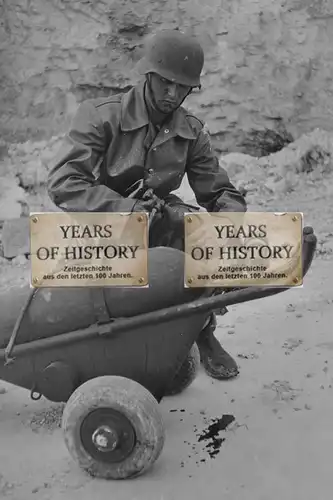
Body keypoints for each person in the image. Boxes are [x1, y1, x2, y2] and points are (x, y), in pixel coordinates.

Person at [47, 29, 247, 381]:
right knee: (85, 304)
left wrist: (227, 224)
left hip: (159, 220)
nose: (172, 94)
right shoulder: (100, 115)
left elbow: (219, 191)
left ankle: (202, 330)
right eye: (165, 83)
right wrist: (125, 209)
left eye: (181, 87)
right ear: (148, 75)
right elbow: (64, 183)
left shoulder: (192, 131)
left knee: (192, 231)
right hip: (103, 223)